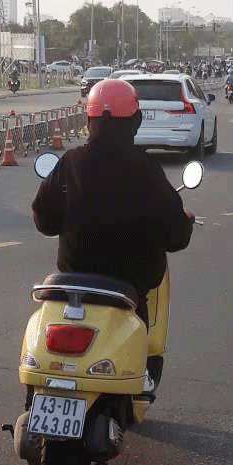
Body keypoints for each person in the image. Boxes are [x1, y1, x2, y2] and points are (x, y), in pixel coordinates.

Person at [31, 79, 194, 328]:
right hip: (128, 294)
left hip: (74, 288)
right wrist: (185, 221)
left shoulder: (70, 163)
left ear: (89, 122)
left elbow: (44, 221)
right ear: (134, 122)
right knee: (143, 357)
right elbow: (176, 237)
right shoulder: (145, 168)